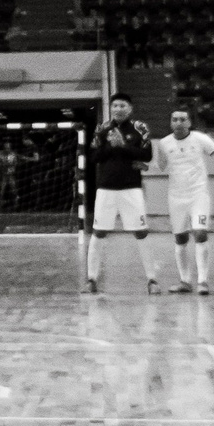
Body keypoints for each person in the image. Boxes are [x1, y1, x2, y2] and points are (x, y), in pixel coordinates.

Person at [155, 109, 214, 293]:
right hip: (176, 197)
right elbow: (160, 167)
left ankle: (203, 281)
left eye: (183, 119)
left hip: (199, 194)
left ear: (189, 122)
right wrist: (146, 163)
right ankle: (185, 281)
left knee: (200, 234)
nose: (179, 122)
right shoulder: (164, 143)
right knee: (180, 238)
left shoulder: (200, 139)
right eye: (175, 119)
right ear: (171, 122)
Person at [86, 95, 159, 294]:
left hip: (131, 188)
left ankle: (152, 280)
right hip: (106, 188)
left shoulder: (140, 128)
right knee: (99, 232)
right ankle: (91, 279)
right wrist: (110, 146)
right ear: (111, 108)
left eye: (123, 105)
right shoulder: (102, 129)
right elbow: (93, 156)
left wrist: (123, 146)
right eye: (115, 105)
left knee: (141, 232)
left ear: (130, 108)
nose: (118, 108)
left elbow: (147, 155)